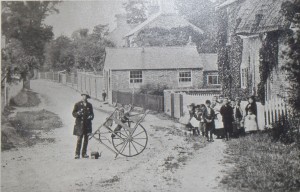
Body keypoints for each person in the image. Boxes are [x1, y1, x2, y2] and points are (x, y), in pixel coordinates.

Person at [72, 91, 94, 159]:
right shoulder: (77, 104)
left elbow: (92, 114)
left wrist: (90, 116)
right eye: (83, 95)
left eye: (86, 96)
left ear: (87, 97)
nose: (84, 97)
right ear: (82, 96)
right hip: (80, 125)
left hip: (87, 125)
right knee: (79, 139)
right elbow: (73, 113)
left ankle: (84, 154)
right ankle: (77, 154)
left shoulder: (89, 105)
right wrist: (77, 114)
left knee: (86, 139)